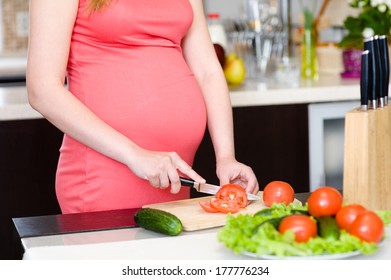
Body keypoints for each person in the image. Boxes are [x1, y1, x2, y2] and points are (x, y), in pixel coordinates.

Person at [27, 0, 259, 214]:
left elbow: (207, 70)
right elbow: (42, 89)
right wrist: (135, 155)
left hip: (173, 179)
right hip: (105, 177)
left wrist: (226, 156)